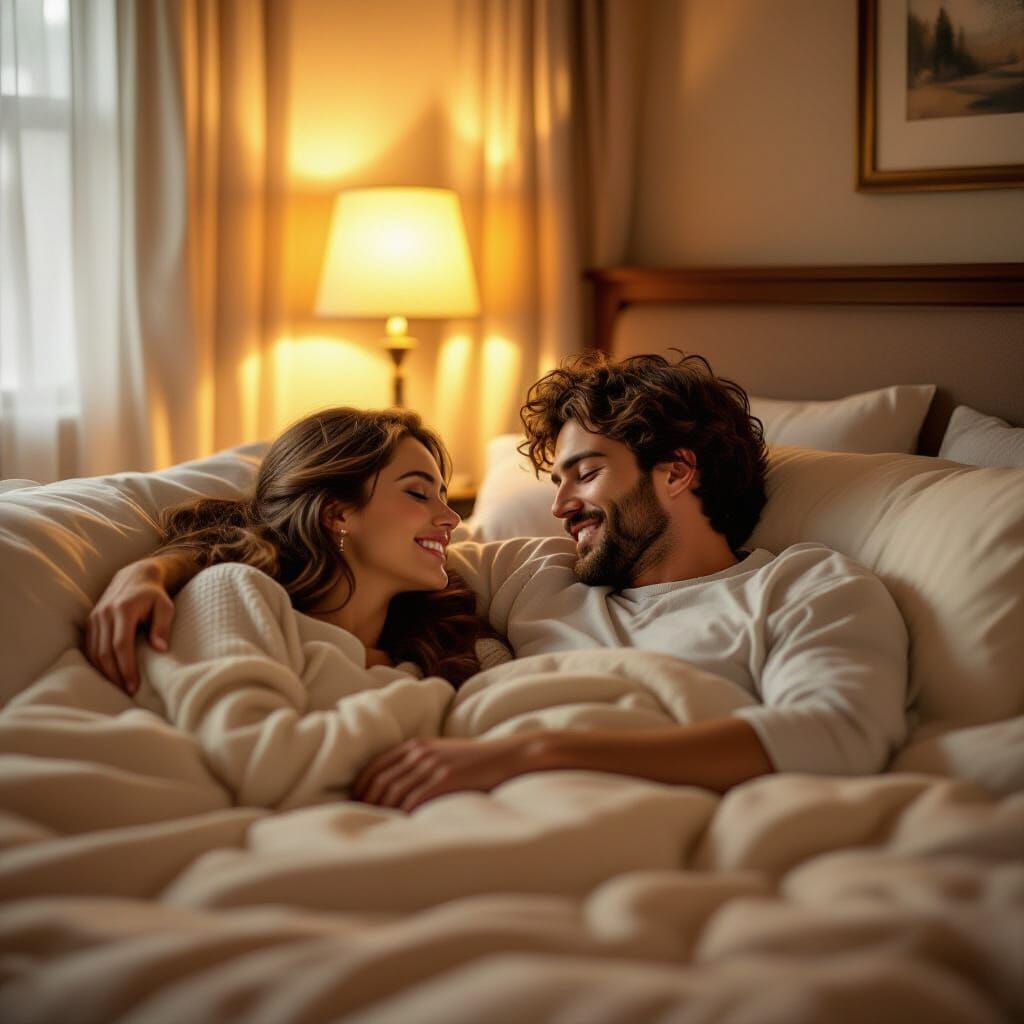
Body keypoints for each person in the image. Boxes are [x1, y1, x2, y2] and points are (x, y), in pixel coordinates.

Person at [87, 353, 909, 813]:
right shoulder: (534, 569)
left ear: (677, 472)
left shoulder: (808, 589)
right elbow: (317, 540)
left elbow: (837, 737)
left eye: (584, 473)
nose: (559, 505)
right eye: (555, 478)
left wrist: (528, 754)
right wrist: (154, 566)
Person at [98, 407, 503, 809]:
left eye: (445, 497)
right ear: (338, 513)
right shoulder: (231, 592)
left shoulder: (448, 647)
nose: (450, 518)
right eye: (418, 493)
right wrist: (435, 705)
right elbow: (265, 766)